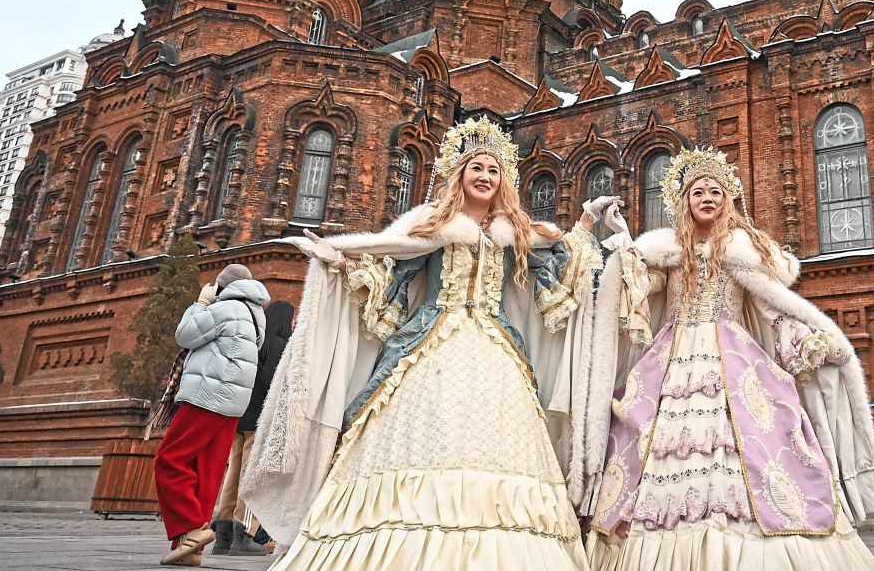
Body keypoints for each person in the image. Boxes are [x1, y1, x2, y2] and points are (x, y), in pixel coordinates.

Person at [241, 118, 606, 570]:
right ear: (460, 173)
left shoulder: (515, 231)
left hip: (495, 348)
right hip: (430, 343)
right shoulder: (432, 223)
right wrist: (341, 257)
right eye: (477, 166)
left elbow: (560, 267)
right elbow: (391, 265)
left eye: (494, 169)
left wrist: (587, 223)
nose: (485, 176)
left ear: (503, 180)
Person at [583, 147, 874, 570]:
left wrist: (807, 341)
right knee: (653, 441)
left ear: (729, 200)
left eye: (716, 191)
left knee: (754, 444)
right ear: (684, 202)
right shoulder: (669, 252)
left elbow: (770, 307)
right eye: (698, 192)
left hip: (735, 359)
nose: (707, 198)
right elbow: (635, 292)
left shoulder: (744, 250)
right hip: (671, 360)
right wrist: (624, 246)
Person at [154, 264, 269, 567]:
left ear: (221, 287)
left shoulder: (226, 307)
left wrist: (201, 302)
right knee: (207, 472)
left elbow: (185, 335)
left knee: (170, 460)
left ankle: (191, 528)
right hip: (232, 404)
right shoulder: (257, 315)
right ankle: (190, 549)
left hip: (206, 398)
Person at [211, 299, 295, 556]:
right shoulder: (280, 345)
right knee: (252, 476)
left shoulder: (254, 343)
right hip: (259, 421)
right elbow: (273, 383)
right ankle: (244, 534)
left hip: (238, 418)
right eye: (292, 320)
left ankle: (222, 536)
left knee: (233, 474)